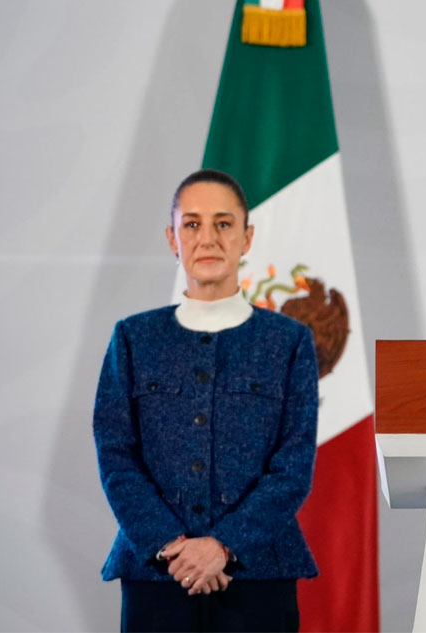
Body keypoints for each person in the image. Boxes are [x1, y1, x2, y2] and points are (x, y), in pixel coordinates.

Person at [92, 169, 319, 632]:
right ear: (172, 238)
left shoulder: (289, 342)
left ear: (246, 238)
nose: (208, 238)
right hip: (156, 574)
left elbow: (293, 466)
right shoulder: (133, 338)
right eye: (192, 224)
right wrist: (168, 544)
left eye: (223, 223)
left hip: (259, 575)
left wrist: (224, 546)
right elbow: (115, 454)